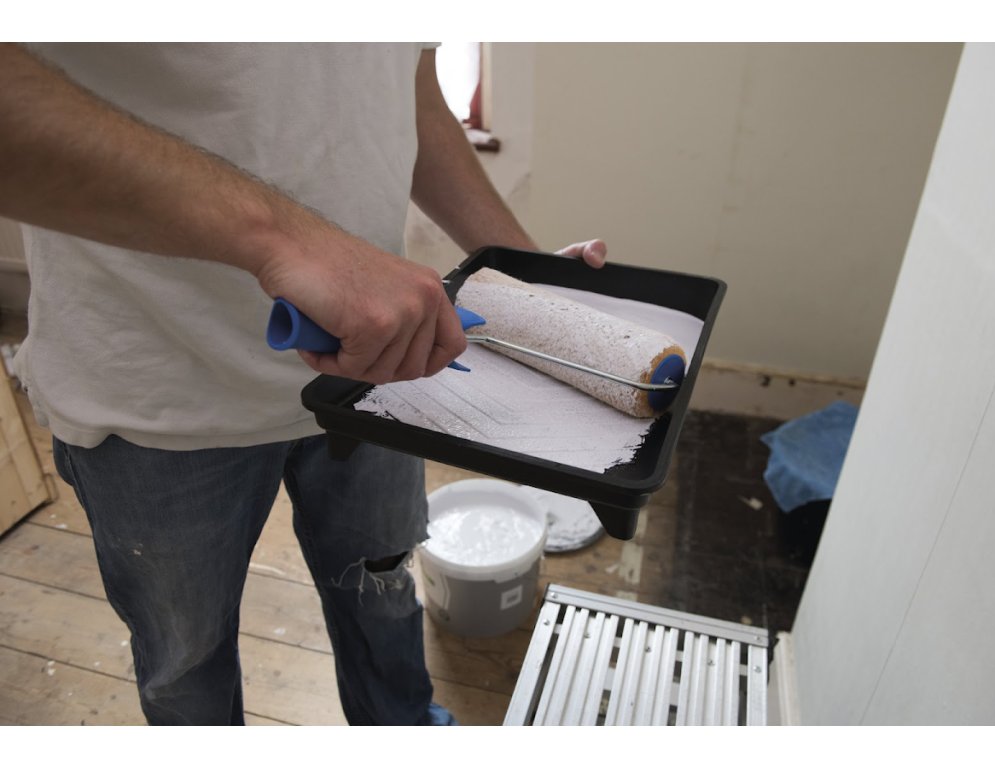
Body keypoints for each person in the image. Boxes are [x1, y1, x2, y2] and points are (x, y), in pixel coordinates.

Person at [0, 43, 607, 725]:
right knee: (186, 664)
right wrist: (285, 242)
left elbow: (408, 87)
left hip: (380, 370)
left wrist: (522, 274)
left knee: (381, 594)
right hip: (157, 389)